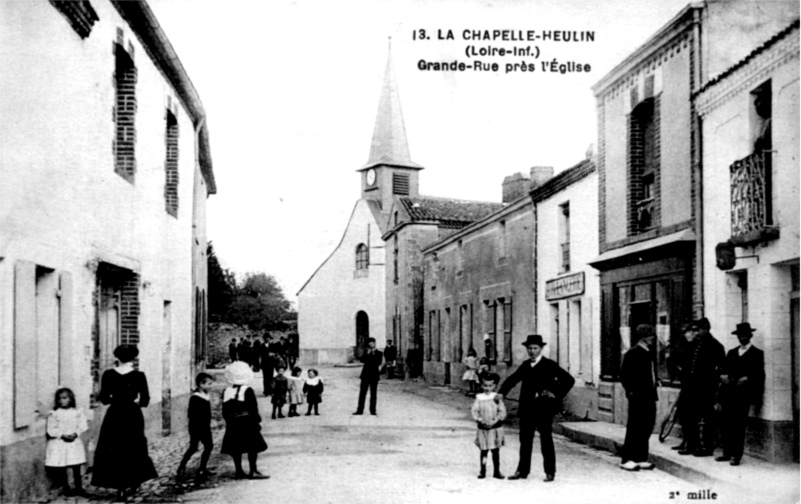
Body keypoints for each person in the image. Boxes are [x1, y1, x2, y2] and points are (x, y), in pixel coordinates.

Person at [497, 334, 574, 483]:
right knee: (525, 440)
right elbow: (512, 379)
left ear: (541, 349)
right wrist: (501, 393)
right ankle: (522, 471)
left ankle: (550, 472)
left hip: (544, 408)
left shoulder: (550, 365)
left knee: (546, 439)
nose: (532, 351)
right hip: (527, 408)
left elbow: (569, 380)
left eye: (535, 348)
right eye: (529, 348)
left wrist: (555, 394)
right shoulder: (526, 365)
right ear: (526, 349)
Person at [91, 344, 158, 501]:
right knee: (133, 447)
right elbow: (145, 400)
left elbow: (104, 399)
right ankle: (133, 481)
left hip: (114, 415)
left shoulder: (108, 374)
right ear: (133, 358)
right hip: (132, 415)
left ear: (117, 357)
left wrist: (116, 399)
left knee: (114, 448)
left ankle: (119, 488)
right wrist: (133, 402)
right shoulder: (139, 375)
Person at [715, 322, 765, 466]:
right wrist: (722, 375)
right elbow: (722, 370)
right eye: (740, 336)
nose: (742, 338)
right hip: (728, 393)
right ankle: (726, 452)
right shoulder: (731, 352)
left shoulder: (757, 353)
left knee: (738, 425)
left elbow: (759, 375)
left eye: (745, 336)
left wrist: (748, 378)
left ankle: (736, 455)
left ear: (750, 336)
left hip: (743, 395)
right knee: (725, 423)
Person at [678, 318, 725, 457]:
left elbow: (721, 369)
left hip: (706, 389)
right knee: (687, 416)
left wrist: (711, 384)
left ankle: (707, 447)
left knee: (707, 419)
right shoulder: (694, 344)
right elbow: (687, 363)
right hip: (690, 387)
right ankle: (692, 444)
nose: (696, 333)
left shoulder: (715, 346)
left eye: (698, 330)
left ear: (706, 329)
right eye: (695, 330)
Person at [619, 325, 658, 471]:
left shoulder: (648, 352)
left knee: (647, 426)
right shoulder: (633, 353)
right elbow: (625, 376)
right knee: (635, 427)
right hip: (638, 397)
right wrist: (632, 393)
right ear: (645, 337)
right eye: (651, 336)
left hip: (649, 396)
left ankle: (641, 458)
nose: (653, 338)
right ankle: (627, 459)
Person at [221, 361, 268, 479]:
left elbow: (225, 410)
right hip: (247, 422)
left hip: (233, 423)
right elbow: (253, 409)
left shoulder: (227, 391)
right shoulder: (248, 390)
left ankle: (239, 471)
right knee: (253, 447)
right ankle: (253, 470)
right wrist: (256, 422)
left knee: (236, 447)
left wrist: (229, 422)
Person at [46, 387, 88, 497]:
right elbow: (51, 429)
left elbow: (82, 425)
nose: (61, 401)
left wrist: (75, 434)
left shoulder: (77, 412)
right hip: (60, 442)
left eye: (64, 398)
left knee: (76, 465)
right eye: (59, 398)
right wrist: (62, 435)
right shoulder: (54, 414)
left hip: (74, 441)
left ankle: (79, 487)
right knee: (62, 465)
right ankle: (66, 487)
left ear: (71, 399)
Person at [177, 373, 215, 480]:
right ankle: (181, 466)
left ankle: (202, 468)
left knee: (209, 446)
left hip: (205, 426)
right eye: (209, 383)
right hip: (197, 427)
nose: (211, 386)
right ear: (201, 384)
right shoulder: (195, 398)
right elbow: (191, 414)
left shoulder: (206, 396)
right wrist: (200, 424)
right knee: (194, 447)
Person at [471, 372, 506, 480]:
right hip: (484, 429)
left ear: (495, 386)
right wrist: (480, 420)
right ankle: (483, 470)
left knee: (495, 451)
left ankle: (496, 471)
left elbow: (502, 412)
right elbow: (474, 411)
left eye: (490, 385)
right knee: (484, 451)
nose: (487, 388)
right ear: (481, 385)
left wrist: (495, 420)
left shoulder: (496, 398)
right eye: (485, 385)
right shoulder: (479, 398)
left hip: (494, 429)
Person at [354, 338, 383, 415]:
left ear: (375, 343)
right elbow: (362, 360)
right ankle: (360, 410)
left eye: (372, 344)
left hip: (374, 375)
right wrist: (367, 353)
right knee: (362, 393)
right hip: (365, 375)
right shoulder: (366, 352)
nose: (371, 345)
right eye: (369, 344)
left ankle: (373, 410)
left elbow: (378, 362)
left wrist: (372, 355)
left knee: (373, 394)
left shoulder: (379, 353)